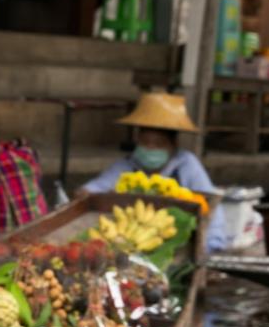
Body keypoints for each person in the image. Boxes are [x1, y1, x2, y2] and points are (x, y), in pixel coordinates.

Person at [80, 92, 227, 250]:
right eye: (145, 142)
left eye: (158, 144)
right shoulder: (128, 165)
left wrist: (211, 244)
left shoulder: (186, 164)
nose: (150, 148)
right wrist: (85, 194)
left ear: (173, 145)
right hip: (132, 240)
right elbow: (94, 188)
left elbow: (211, 207)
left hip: (180, 244)